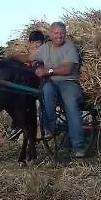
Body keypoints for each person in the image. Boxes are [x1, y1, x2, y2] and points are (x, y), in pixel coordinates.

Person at [33, 22, 86, 158]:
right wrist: (11, 58)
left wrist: (47, 71)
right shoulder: (45, 48)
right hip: (51, 83)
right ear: (50, 35)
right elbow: (29, 57)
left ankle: (78, 146)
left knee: (71, 106)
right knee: (46, 91)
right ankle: (50, 127)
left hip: (68, 82)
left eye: (61, 33)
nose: (59, 36)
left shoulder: (70, 48)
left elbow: (67, 69)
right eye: (56, 33)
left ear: (65, 34)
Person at [6, 30, 46, 141]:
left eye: (38, 42)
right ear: (29, 44)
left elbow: (31, 59)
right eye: (33, 42)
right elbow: (18, 57)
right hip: (27, 85)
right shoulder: (28, 54)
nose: (35, 45)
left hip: (40, 84)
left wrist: (29, 59)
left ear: (43, 43)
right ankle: (17, 123)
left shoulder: (44, 54)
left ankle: (44, 125)